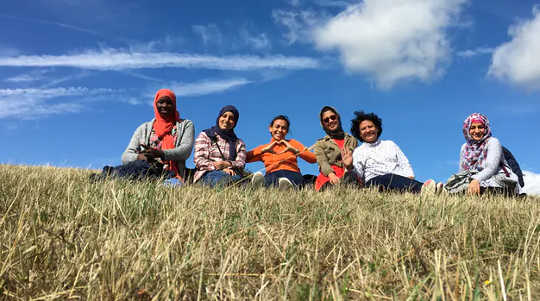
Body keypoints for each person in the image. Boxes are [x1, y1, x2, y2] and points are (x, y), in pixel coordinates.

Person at [107, 89, 194, 184]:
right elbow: (125, 157)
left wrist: (161, 154)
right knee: (130, 176)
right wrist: (140, 157)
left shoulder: (185, 125)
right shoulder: (144, 128)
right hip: (146, 170)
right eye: (161, 102)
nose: (164, 105)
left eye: (169, 103)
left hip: (172, 174)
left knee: (169, 187)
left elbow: (185, 150)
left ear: (174, 105)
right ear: (155, 104)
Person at [350, 111, 437, 193]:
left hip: (398, 181)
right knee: (388, 177)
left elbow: (404, 163)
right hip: (374, 183)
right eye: (363, 129)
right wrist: (349, 166)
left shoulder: (390, 144)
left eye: (370, 127)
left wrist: (410, 177)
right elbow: (358, 175)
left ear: (377, 128)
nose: (368, 130)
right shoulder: (359, 151)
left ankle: (437, 190)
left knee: (393, 178)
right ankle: (425, 189)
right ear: (360, 134)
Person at [444, 113, 518, 195]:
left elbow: (491, 168)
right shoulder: (464, 147)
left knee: (493, 183)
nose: (477, 131)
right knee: (454, 182)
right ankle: (441, 190)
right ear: (467, 129)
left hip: (495, 177)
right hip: (473, 179)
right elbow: (462, 172)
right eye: (472, 128)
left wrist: (476, 180)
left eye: (480, 127)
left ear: (486, 128)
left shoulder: (492, 142)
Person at [246, 115, 317, 189]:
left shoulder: (293, 143)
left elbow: (313, 159)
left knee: (288, 178)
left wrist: (295, 150)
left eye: (283, 128)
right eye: (277, 126)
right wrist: (262, 151)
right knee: (271, 178)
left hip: (292, 174)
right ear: (270, 128)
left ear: (286, 131)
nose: (280, 130)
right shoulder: (264, 147)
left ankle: (284, 187)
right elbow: (244, 158)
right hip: (272, 175)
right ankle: (262, 187)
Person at [193, 105, 247, 187]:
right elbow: (199, 160)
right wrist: (219, 167)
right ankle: (243, 184)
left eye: (231, 118)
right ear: (219, 117)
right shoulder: (206, 135)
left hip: (232, 174)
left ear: (235, 123)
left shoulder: (239, 143)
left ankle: (247, 184)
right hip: (207, 173)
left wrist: (226, 163)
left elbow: (241, 163)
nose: (227, 120)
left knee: (239, 181)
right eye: (224, 116)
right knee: (221, 179)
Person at [313, 106, 359, 191]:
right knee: (332, 189)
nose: (330, 121)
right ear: (323, 124)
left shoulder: (352, 140)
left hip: (349, 172)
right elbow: (322, 162)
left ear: (338, 118)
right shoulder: (320, 143)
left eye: (333, 117)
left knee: (351, 182)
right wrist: (331, 175)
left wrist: (349, 168)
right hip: (330, 175)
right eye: (326, 120)